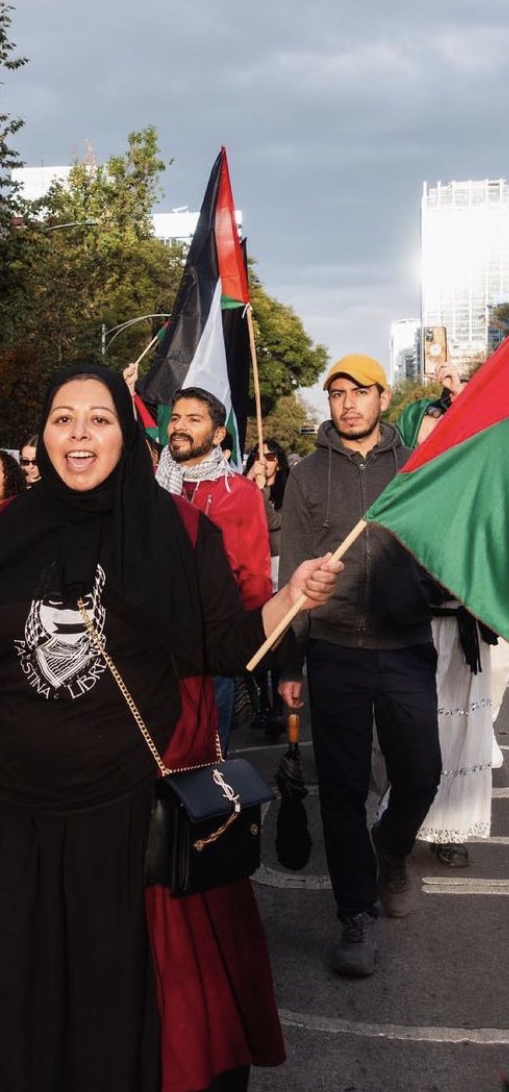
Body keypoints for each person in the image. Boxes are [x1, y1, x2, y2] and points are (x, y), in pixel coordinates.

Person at [0, 362, 342, 1092]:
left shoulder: (180, 530)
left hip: (125, 816)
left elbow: (225, 645)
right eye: (62, 417)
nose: (78, 433)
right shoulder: (0, 528)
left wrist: (289, 595)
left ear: (127, 435)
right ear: (42, 433)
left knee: (114, 1007)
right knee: (11, 1001)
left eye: (98, 418)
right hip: (8, 812)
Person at [278, 354, 442, 978]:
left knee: (421, 773)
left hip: (405, 646)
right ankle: (356, 913)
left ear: (382, 397)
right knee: (342, 790)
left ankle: (393, 848)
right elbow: (292, 571)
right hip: (336, 651)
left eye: (360, 392)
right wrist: (290, 662)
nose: (347, 403)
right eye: (337, 393)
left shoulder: (414, 469)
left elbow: (443, 538)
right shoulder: (305, 477)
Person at [391, 362, 495, 868]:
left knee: (462, 734)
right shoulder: (399, 494)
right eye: (431, 423)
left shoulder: (474, 490)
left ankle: (449, 827)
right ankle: (402, 823)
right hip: (414, 630)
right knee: (415, 733)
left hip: (465, 631)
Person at [155, 387, 272, 751]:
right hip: (152, 646)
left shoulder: (239, 493)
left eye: (193, 419)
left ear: (219, 434)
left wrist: (250, 645)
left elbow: (253, 576)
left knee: (206, 757)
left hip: (211, 651)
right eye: (175, 418)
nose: (179, 427)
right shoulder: (146, 487)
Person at [244, 438, 291, 737]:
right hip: (253, 571)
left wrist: (259, 489)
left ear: (280, 461)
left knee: (277, 642)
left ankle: (277, 707)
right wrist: (248, 483)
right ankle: (261, 704)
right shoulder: (244, 488)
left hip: (280, 573)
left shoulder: (290, 490)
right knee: (256, 642)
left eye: (270, 455)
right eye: (258, 456)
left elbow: (273, 521)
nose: (265, 460)